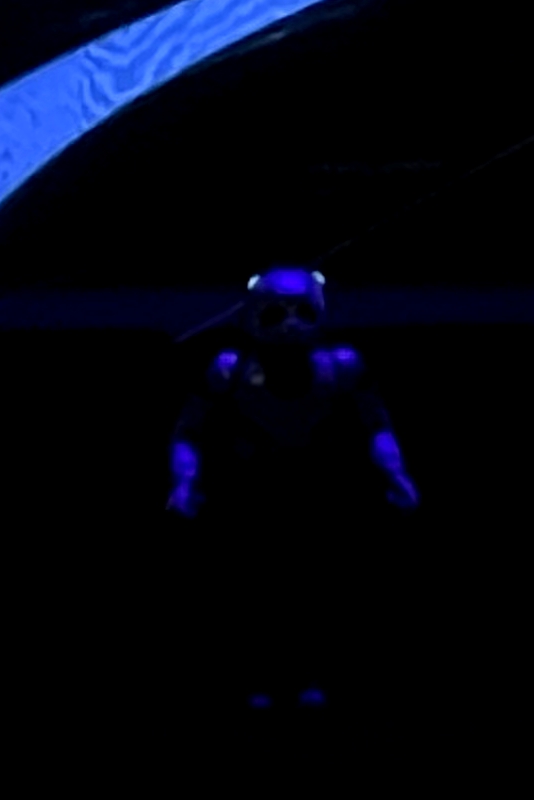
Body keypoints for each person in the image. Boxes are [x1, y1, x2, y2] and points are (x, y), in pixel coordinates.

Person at [169, 267, 417, 709]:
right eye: (275, 313)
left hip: (316, 492)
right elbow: (189, 430)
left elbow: (376, 424)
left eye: (302, 312)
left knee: (316, 589)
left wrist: (396, 474)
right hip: (252, 495)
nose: (289, 325)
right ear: (253, 315)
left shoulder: (341, 366)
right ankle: (257, 678)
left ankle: (311, 675)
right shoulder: (229, 369)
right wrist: (185, 481)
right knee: (253, 590)